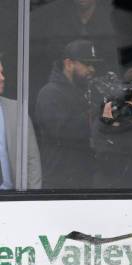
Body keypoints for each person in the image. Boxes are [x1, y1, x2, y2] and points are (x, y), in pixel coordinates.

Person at [35, 39, 100, 189]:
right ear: (69, 64)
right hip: (59, 182)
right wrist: (96, 115)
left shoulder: (84, 91)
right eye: (87, 63)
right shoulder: (49, 93)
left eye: (94, 64)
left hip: (85, 177)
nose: (92, 69)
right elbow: (61, 132)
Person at [0, 57, 42, 190]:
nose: (2, 78)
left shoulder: (16, 110)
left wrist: (33, 198)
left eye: (2, 73)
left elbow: (32, 158)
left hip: (14, 200)